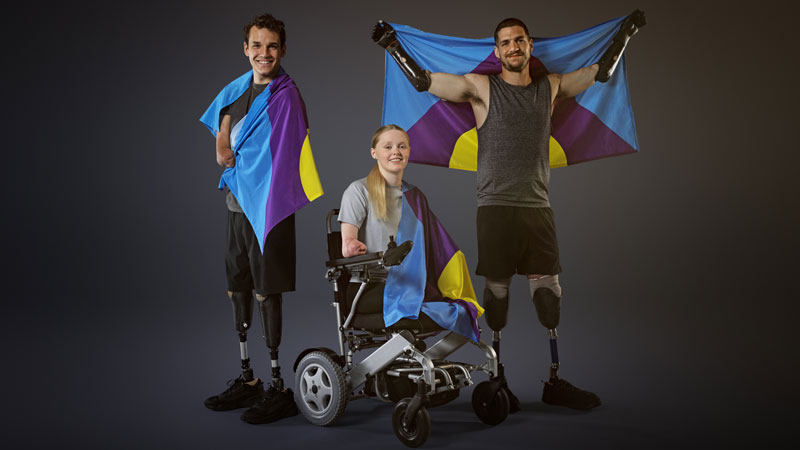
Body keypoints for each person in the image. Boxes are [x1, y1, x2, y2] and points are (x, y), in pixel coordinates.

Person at [373, 12, 645, 410]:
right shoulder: (482, 88)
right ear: (496, 51)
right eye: (505, 42)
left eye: (519, 40)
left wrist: (626, 33)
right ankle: (498, 382)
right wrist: (393, 46)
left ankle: (554, 380)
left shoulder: (549, 87)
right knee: (496, 298)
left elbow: (600, 73)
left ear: (529, 46)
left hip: (537, 206)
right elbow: (425, 82)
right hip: (495, 207)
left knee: (548, 295)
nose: (513, 47)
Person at [200, 13, 301, 425]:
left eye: (272, 46)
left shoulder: (286, 94)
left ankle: (278, 387)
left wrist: (240, 157)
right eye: (257, 46)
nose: (264, 53)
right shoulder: (236, 89)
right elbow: (221, 128)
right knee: (237, 288)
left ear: (282, 49)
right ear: (246, 49)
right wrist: (223, 140)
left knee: (266, 292)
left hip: (268, 210)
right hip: (236, 207)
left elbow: (288, 152)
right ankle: (248, 379)